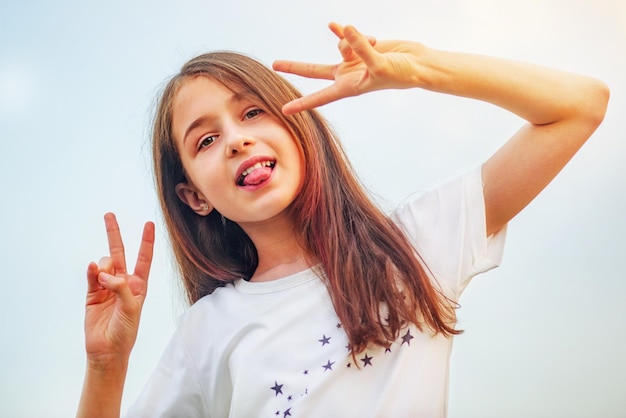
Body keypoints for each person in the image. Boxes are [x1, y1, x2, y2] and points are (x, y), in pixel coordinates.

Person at [77, 23, 609, 417]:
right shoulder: (207, 332)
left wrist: (420, 69)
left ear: (299, 125)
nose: (236, 139)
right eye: (207, 140)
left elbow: (580, 105)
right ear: (195, 197)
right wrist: (106, 366)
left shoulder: (416, 242)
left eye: (252, 111)